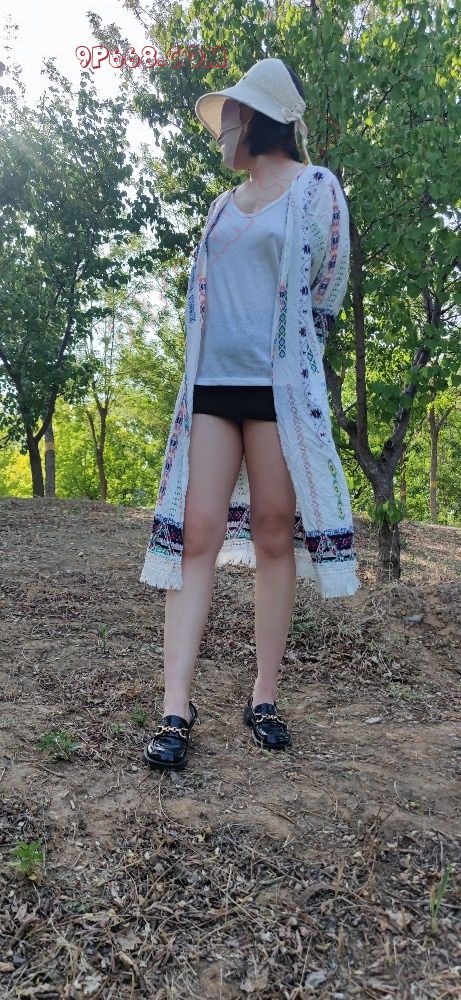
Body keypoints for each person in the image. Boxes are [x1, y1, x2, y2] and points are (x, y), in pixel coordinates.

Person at [141, 57, 359, 772]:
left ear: (260, 119)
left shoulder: (316, 188)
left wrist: (295, 361)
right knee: (197, 534)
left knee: (271, 532)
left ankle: (263, 696)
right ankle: (176, 705)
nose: (223, 129)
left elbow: (326, 286)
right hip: (210, 386)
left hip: (275, 392)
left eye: (233, 115)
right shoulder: (220, 206)